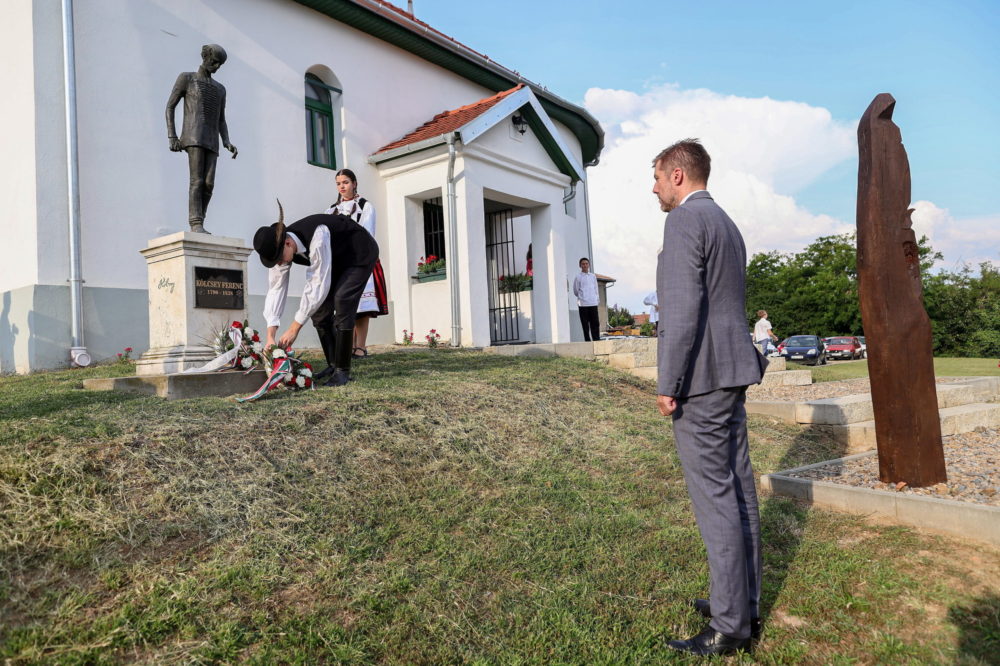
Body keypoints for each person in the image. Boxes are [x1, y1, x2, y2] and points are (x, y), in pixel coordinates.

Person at [653, 139, 767, 657]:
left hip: (700, 378)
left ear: (678, 175)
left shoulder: (683, 222)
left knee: (716, 498)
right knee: (739, 489)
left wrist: (667, 383)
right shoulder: (726, 222)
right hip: (732, 371)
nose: (653, 188)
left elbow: (681, 311)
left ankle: (728, 627)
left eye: (656, 177)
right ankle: (744, 604)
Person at [253, 202, 378, 386]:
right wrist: (271, 335)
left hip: (359, 253)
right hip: (336, 260)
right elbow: (276, 287)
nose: (279, 264)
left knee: (343, 300)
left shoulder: (317, 235)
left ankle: (342, 371)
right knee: (319, 312)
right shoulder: (281, 248)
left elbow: (318, 283)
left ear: (288, 242)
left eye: (279, 259)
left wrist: (295, 327)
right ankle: (333, 364)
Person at [165, 44, 238, 233]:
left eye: (219, 64)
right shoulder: (187, 78)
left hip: (212, 139)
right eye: (213, 61)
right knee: (196, 181)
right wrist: (172, 135)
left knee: (209, 184)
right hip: (193, 135)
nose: (215, 66)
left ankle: (201, 221)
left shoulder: (220, 89)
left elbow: (221, 119)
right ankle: (195, 222)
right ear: (205, 57)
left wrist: (227, 141)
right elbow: (170, 107)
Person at [324, 169, 388, 359]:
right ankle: (347, 346)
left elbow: (367, 233)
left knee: (362, 308)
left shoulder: (365, 206)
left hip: (360, 260)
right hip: (340, 262)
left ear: (354, 183)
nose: (342, 186)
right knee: (344, 305)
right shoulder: (331, 210)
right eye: (338, 183)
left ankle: (360, 347)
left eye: (345, 182)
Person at [573, 257, 600, 341]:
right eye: (583, 264)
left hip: (593, 303)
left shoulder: (593, 276)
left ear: (589, 265)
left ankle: (596, 339)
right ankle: (587, 340)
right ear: (580, 265)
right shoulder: (578, 277)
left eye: (586, 263)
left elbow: (596, 289)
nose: (585, 265)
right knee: (585, 324)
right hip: (583, 304)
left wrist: (596, 299)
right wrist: (582, 297)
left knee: (595, 323)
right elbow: (576, 290)